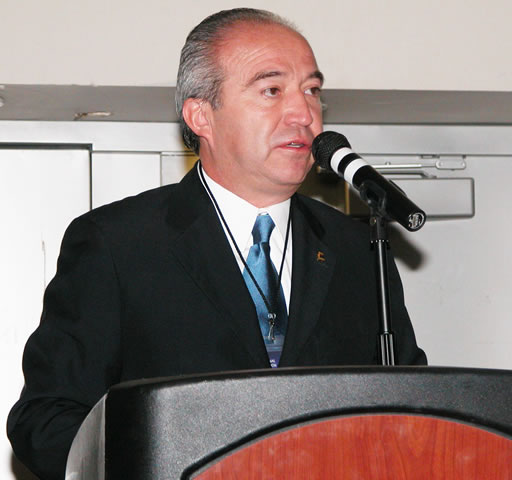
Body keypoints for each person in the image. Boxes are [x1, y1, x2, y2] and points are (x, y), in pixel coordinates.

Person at [7, 8, 427, 480]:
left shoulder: (359, 247)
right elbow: (45, 420)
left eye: (312, 90)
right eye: (272, 90)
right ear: (201, 115)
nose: (304, 113)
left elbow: (417, 413)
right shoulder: (118, 243)